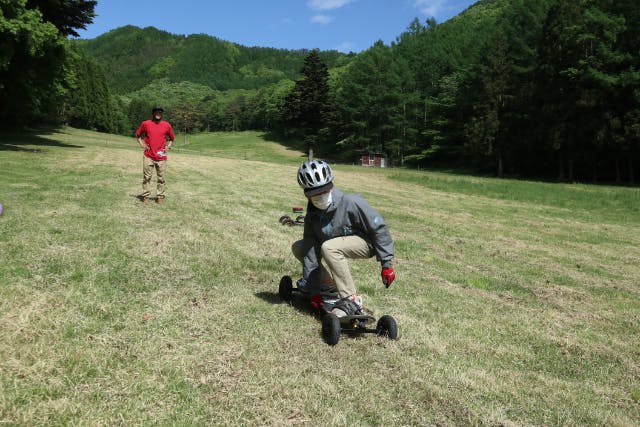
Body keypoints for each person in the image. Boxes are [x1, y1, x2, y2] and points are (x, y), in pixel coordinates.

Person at [292, 159, 396, 317]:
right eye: (315, 194)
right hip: (334, 243)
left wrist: (386, 264)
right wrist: (314, 291)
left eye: (324, 191)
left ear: (331, 186)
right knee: (300, 247)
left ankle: (351, 300)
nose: (320, 196)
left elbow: (379, 229)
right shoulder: (312, 215)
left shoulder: (351, 202)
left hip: (365, 243)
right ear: (307, 194)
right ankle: (327, 287)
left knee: (329, 247)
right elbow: (310, 251)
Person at [135, 106, 175, 205]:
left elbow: (172, 138)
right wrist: (142, 144)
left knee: (161, 178)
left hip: (161, 157)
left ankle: (160, 197)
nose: (158, 114)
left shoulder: (167, 125)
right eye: (156, 112)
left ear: (162, 114)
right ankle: (146, 196)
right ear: (153, 113)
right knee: (147, 177)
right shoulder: (146, 123)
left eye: (160, 112)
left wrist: (168, 147)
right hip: (148, 155)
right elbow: (138, 135)